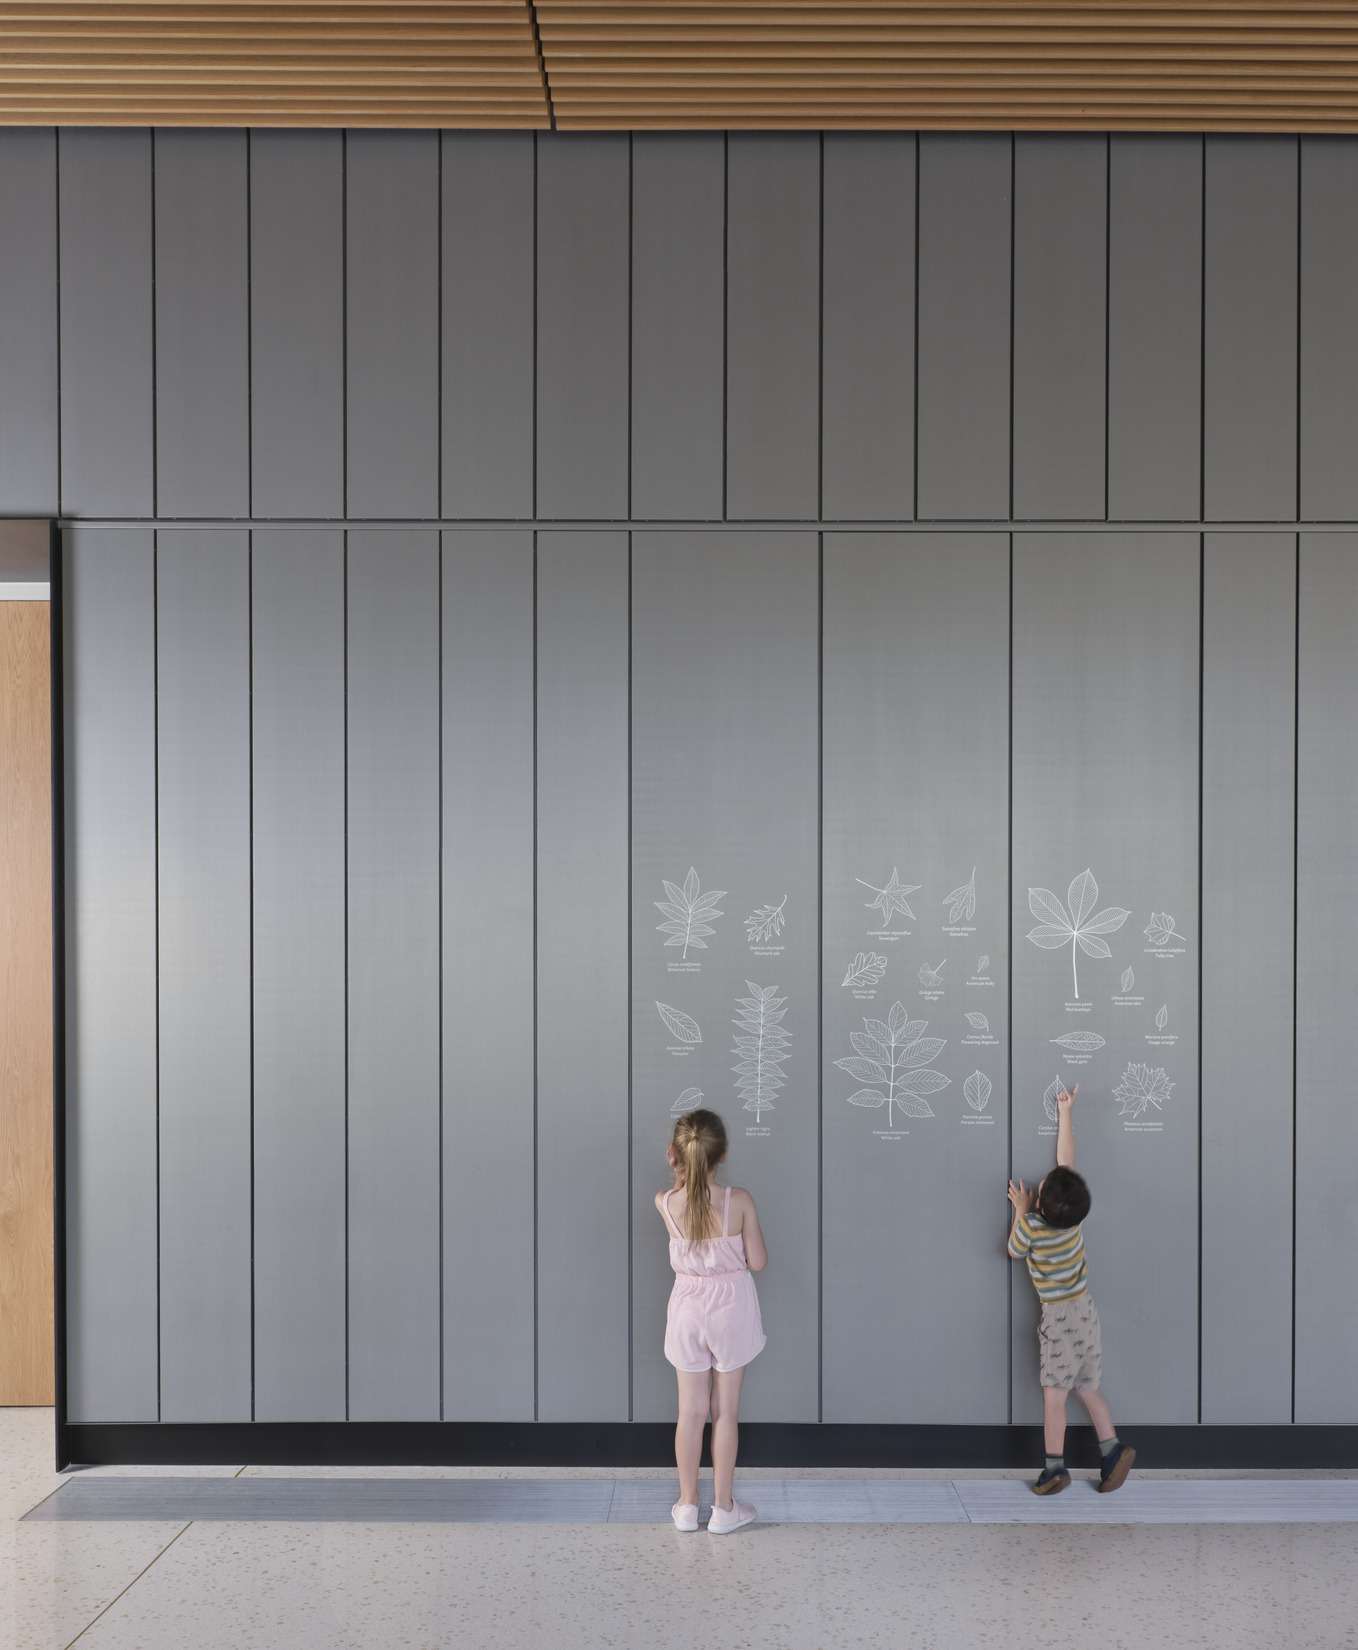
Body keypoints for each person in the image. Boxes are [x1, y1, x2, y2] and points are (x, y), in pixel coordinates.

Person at [1007, 1082, 1135, 1496]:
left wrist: (1020, 1211)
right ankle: (1112, 1450)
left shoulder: (1032, 1225)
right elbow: (1067, 1163)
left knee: (1055, 1396)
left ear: (1040, 1201)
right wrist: (1066, 1113)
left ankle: (1054, 1468)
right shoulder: (1074, 1221)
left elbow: (1012, 1251)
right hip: (1086, 1310)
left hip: (1059, 1318)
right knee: (1089, 1387)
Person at [656, 1108, 767, 1533]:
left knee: (691, 1412)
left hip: (686, 1307)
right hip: (731, 1309)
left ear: (674, 1154)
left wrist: (680, 1176)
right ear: (722, 1154)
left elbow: (685, 1190)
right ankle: (724, 1510)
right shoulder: (738, 1200)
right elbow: (757, 1261)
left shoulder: (664, 1203)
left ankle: (686, 1506)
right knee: (725, 1413)